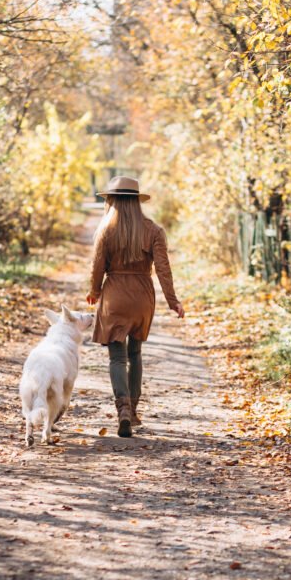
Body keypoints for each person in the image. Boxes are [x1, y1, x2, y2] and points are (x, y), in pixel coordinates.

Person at [86, 176, 184, 437]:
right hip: (142, 296)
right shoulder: (153, 230)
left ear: (113, 200)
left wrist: (95, 291)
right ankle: (135, 410)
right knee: (135, 354)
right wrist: (173, 301)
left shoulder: (106, 230)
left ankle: (123, 411)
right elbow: (164, 270)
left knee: (117, 358)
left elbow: (98, 267)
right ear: (137, 201)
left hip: (115, 294)